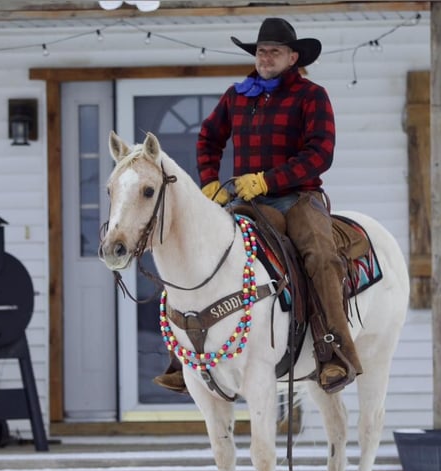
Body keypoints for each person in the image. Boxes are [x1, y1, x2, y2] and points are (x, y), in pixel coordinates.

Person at [154, 17, 362, 395]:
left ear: (293, 57)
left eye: (275, 51)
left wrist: (268, 180)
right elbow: (208, 138)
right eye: (261, 51)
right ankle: (181, 354)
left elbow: (320, 153)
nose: (265, 57)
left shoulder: (312, 96)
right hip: (246, 198)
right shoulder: (238, 95)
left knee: (319, 255)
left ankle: (335, 353)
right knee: (202, 251)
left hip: (298, 197)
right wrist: (211, 183)